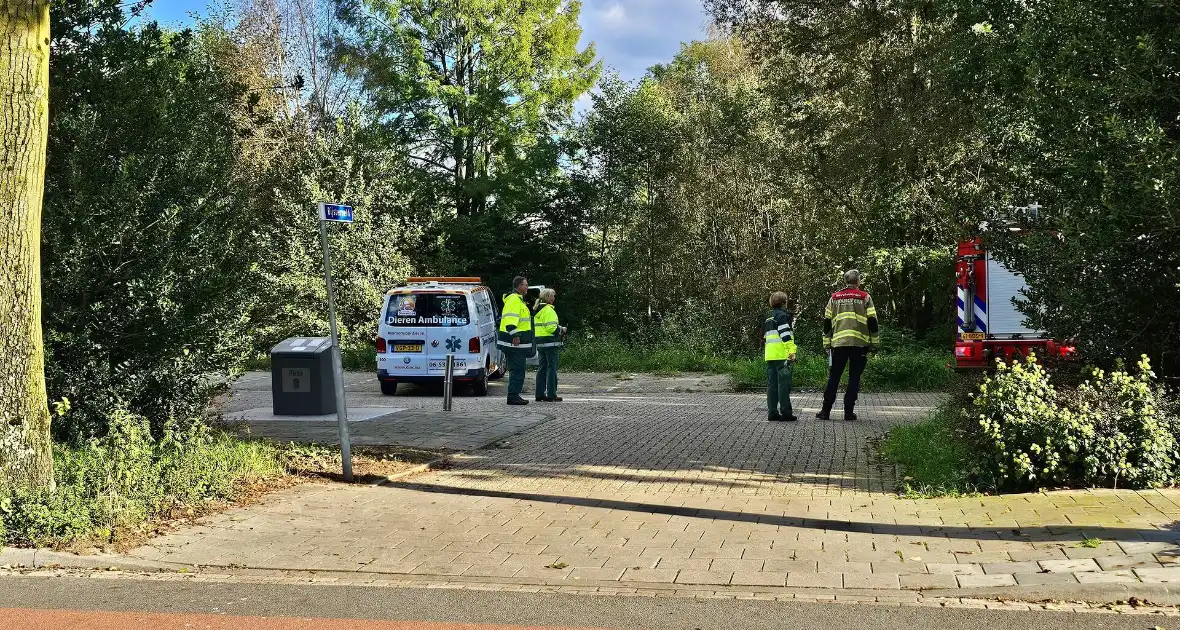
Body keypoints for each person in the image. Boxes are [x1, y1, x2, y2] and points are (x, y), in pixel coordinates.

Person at [818, 269, 880, 421]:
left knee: (834, 377)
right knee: (854, 378)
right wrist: (875, 343)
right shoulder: (865, 297)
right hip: (859, 344)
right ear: (858, 281)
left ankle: (825, 411)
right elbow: (872, 321)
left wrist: (827, 345)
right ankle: (848, 412)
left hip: (838, 344)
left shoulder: (834, 298)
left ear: (845, 281)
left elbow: (827, 323)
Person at [498, 276, 534, 405]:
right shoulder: (514, 300)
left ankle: (514, 395)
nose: (527, 287)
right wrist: (515, 335)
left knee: (517, 369)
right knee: (517, 369)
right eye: (525, 285)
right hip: (514, 343)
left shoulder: (517, 300)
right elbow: (510, 320)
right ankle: (513, 396)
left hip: (515, 343)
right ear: (519, 286)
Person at [763, 291, 798, 422]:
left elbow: (766, 337)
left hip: (770, 355)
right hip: (781, 354)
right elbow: (785, 335)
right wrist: (792, 351)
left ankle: (772, 412)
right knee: (784, 384)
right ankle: (786, 412)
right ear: (783, 302)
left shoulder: (768, 318)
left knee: (772, 385)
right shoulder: (782, 316)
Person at [533, 288, 567, 402]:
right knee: (552, 369)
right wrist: (561, 329)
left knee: (541, 368)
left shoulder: (538, 310)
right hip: (550, 344)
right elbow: (551, 328)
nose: (554, 298)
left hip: (540, 343)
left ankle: (539, 394)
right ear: (548, 298)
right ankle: (551, 394)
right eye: (553, 296)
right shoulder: (549, 310)